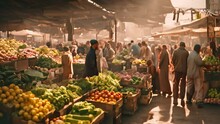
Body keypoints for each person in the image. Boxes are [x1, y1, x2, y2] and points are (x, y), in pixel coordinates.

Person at [172, 42, 189, 106]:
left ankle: (175, 99)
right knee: (183, 84)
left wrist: (176, 65)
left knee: (176, 84)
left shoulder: (175, 51)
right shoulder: (186, 52)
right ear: (184, 46)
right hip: (184, 71)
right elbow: (188, 62)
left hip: (177, 70)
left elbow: (173, 60)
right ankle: (182, 99)